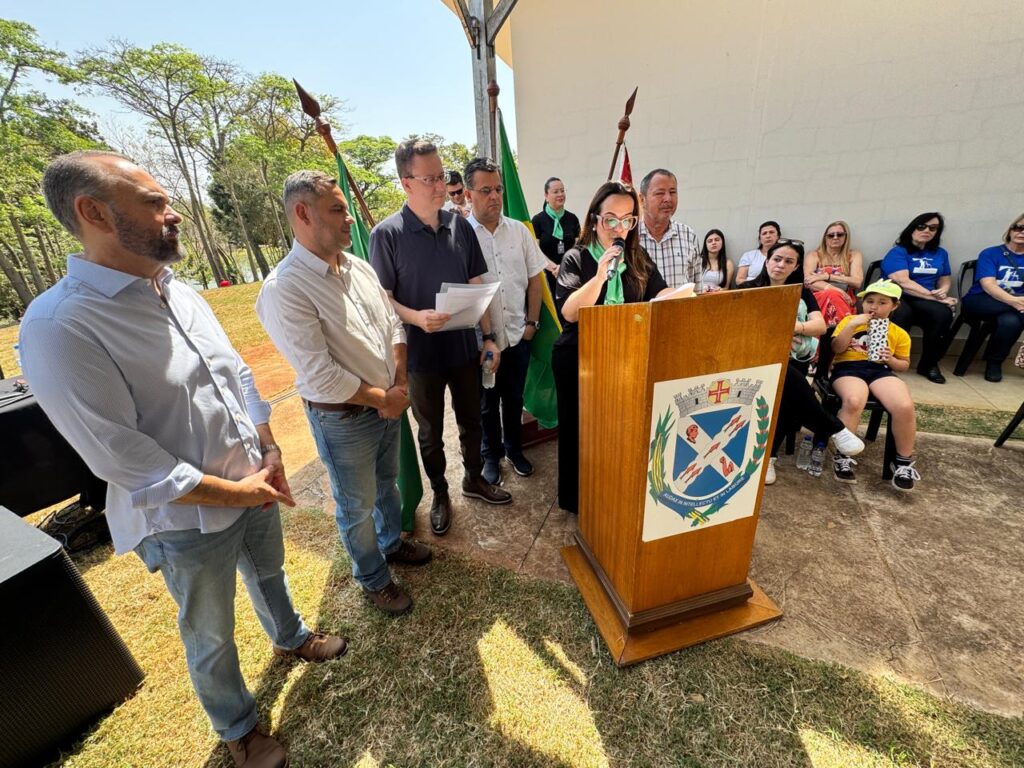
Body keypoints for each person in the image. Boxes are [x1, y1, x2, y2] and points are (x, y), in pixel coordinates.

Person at [20, 151, 346, 768]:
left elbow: (238, 376)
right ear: (93, 212)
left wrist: (269, 447)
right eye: (153, 203)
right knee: (210, 631)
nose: (174, 215)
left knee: (270, 575)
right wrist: (240, 492)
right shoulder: (61, 326)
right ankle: (238, 728)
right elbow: (125, 459)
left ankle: (291, 637)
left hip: (256, 482)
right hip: (186, 523)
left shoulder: (179, 289)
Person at [256, 170, 432, 618]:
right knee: (357, 504)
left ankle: (391, 544)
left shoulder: (358, 266)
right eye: (337, 209)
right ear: (302, 214)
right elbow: (320, 373)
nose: (350, 218)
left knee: (387, 486)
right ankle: (372, 576)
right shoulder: (285, 289)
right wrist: (385, 399)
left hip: (386, 403)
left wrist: (400, 379)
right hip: (344, 419)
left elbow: (391, 323)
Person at [370, 138, 511, 538]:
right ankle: (439, 493)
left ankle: (473, 479)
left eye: (440, 175)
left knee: (472, 421)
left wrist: (488, 338)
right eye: (428, 178)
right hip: (420, 354)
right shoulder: (387, 234)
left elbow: (476, 284)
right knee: (430, 432)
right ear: (405, 183)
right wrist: (417, 317)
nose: (438, 185)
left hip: (464, 347)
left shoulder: (460, 226)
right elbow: (385, 300)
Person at [552, 181, 670, 513]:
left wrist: (685, 295)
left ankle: (609, 491)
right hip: (579, 357)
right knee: (580, 431)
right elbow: (570, 311)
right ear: (594, 220)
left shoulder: (637, 256)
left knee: (615, 430)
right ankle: (576, 500)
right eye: (611, 219)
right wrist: (601, 273)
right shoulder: (576, 258)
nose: (620, 228)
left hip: (624, 356)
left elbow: (657, 293)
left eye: (628, 219)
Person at [740, 239, 864, 485]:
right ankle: (835, 429)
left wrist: (792, 327)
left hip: (791, 357)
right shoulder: (750, 287)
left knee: (786, 383)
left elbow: (820, 326)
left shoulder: (802, 291)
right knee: (785, 378)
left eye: (788, 261)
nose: (780, 265)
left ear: (796, 266)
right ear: (767, 260)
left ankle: (769, 459)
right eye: (777, 259)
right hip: (754, 358)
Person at [464, 158, 547, 485]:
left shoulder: (519, 232)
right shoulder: (461, 236)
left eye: (498, 189)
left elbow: (535, 280)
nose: (495, 196)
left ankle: (514, 450)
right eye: (485, 190)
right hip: (481, 343)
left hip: (517, 337)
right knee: (486, 405)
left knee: (514, 400)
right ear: (469, 194)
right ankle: (491, 457)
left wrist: (532, 325)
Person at [830, 280, 919, 491]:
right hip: (848, 367)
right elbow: (836, 348)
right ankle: (843, 455)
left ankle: (903, 462)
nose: (874, 307)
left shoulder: (898, 333)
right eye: (869, 301)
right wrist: (852, 326)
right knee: (854, 400)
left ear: (894, 306)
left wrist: (890, 359)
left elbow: (903, 365)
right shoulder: (850, 321)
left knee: (904, 406)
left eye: (882, 303)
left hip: (880, 369)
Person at [881, 212, 957, 383]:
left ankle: (929, 364)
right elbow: (903, 282)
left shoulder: (940, 254)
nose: (927, 231)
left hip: (927, 299)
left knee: (942, 314)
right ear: (912, 228)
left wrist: (943, 291)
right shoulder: (899, 252)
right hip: (900, 296)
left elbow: (945, 278)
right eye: (922, 226)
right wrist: (935, 297)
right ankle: (891, 361)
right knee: (900, 313)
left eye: (933, 228)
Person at [960, 213, 1024, 382]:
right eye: (1018, 227)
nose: (1021, 232)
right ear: (1010, 230)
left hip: (1015, 305)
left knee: (1011, 321)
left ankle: (994, 363)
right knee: (1018, 314)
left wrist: (1018, 302)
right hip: (981, 300)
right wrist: (1015, 302)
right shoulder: (991, 253)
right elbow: (989, 285)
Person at [637, 168, 703, 292]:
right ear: (642, 199)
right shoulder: (630, 237)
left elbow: (697, 289)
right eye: (660, 193)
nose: (668, 198)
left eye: (673, 192)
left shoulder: (688, 235)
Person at [804, 220, 864, 326]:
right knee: (832, 294)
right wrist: (836, 290)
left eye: (840, 234)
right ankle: (843, 331)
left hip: (846, 300)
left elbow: (857, 282)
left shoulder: (854, 255)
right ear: (825, 238)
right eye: (831, 235)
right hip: (819, 300)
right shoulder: (813, 256)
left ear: (846, 237)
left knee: (834, 295)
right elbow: (808, 282)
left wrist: (827, 276)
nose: (835, 237)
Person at [530, 176, 578, 298]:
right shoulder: (537, 220)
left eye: (562, 190)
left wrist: (564, 267)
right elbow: (535, 251)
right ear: (546, 196)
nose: (560, 194)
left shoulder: (572, 219)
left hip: (569, 275)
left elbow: (577, 248)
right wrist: (554, 268)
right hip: (546, 275)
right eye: (556, 192)